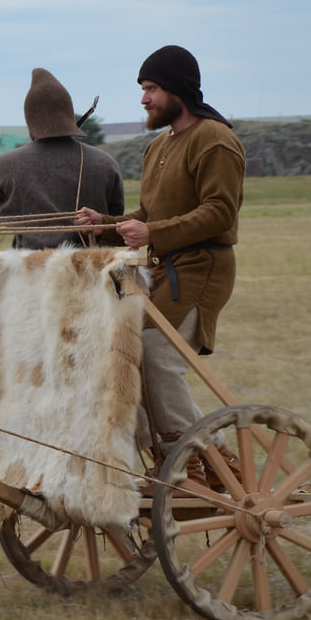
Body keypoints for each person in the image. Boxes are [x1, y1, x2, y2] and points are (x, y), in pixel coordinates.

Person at [76, 45, 245, 460]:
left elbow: (220, 213)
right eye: (143, 89)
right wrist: (106, 224)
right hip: (160, 269)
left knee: (155, 357)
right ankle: (168, 461)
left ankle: (211, 457)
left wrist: (151, 231)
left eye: (151, 88)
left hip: (201, 270)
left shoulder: (215, 141)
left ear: (176, 91)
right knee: (123, 355)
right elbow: (149, 216)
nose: (144, 98)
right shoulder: (158, 147)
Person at [0, 68, 124, 249]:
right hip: (95, 270)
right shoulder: (105, 163)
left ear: (30, 119)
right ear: (69, 114)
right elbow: (115, 215)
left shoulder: (1, 166)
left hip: (30, 271)